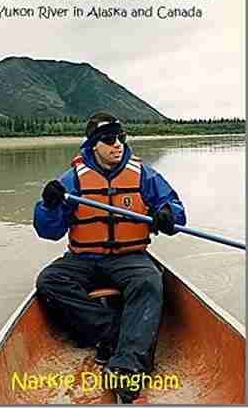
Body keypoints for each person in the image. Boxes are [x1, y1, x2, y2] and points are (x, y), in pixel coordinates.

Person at [33, 112, 186, 403]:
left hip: (130, 257)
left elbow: (175, 209)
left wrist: (167, 216)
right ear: (93, 145)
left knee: (150, 282)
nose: (117, 144)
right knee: (50, 281)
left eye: (120, 137)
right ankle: (118, 333)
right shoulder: (72, 180)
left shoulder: (144, 175)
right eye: (108, 139)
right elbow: (48, 231)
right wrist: (49, 206)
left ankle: (127, 366)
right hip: (84, 259)